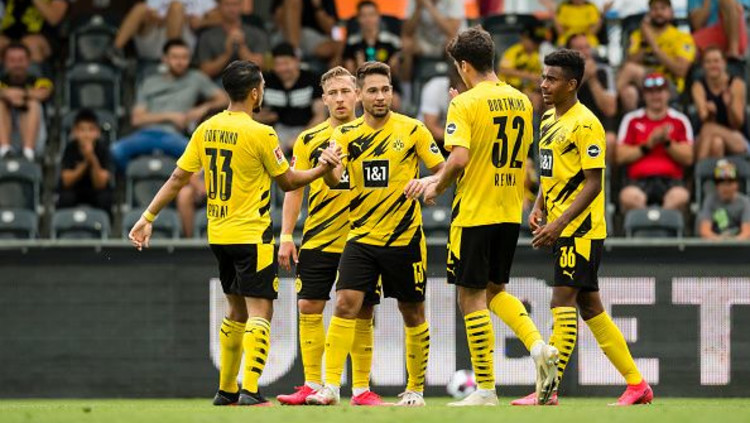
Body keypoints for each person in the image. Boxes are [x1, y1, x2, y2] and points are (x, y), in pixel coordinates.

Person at [128, 60, 342, 407]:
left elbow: (178, 177)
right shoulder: (261, 133)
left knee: (235, 311)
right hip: (252, 236)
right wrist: (322, 168)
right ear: (255, 93)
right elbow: (288, 181)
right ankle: (250, 390)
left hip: (219, 234)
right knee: (260, 312)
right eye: (263, 87)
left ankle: (226, 389)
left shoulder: (206, 128)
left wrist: (147, 216)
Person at [421, 26, 559, 407]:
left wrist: (436, 185)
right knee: (496, 290)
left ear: (464, 65)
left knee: (470, 297)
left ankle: (485, 389)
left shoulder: (464, 104)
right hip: (509, 210)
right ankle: (538, 345)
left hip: (474, 212)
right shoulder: (521, 101)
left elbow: (459, 159)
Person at [304, 61, 445, 407]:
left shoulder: (412, 130)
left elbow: (443, 170)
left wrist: (428, 183)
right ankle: (331, 387)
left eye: (385, 89)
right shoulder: (345, 135)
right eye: (373, 90)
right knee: (344, 304)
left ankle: (415, 389)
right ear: (360, 95)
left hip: (404, 238)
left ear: (392, 92)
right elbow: (334, 181)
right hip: (361, 238)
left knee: (413, 312)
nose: (380, 96)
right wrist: (327, 167)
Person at [517, 49, 653, 406]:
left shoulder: (586, 123)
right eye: (543, 77)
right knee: (591, 308)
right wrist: (540, 204)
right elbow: (551, 170)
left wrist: (560, 223)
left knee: (561, 300)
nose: (543, 84)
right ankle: (637, 384)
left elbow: (594, 183)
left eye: (552, 79)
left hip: (580, 231)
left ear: (572, 84)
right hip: (562, 226)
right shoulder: (548, 119)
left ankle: (548, 389)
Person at [275, 66, 385, 406]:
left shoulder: (376, 134)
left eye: (345, 91)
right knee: (309, 304)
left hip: (362, 238)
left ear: (357, 95)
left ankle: (362, 389)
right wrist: (286, 235)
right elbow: (294, 188)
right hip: (320, 236)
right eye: (332, 93)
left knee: (363, 310)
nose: (339, 99)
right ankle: (311, 383)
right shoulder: (309, 139)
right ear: (323, 99)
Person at [111, 39, 227, 172]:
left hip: (174, 135)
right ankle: (136, 177)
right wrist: (171, 116)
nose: (180, 62)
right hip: (146, 134)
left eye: (184, 57)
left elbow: (224, 99)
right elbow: (136, 119)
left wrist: (202, 108)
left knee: (203, 159)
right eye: (175, 57)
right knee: (116, 150)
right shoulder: (150, 82)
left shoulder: (196, 78)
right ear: (165, 59)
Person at [617, 73, 694, 213]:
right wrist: (648, 144)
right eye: (650, 92)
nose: (655, 96)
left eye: (660, 91)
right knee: (628, 196)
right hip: (639, 181)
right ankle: (647, 220)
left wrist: (667, 143)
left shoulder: (680, 120)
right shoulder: (631, 119)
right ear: (644, 95)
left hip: (671, 181)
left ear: (668, 94)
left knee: (680, 196)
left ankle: (660, 219)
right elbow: (620, 156)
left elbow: (688, 157)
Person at [616, 0, 696, 112]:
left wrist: (654, 46)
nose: (658, 12)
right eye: (654, 9)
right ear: (648, 13)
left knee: (630, 69)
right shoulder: (638, 35)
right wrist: (645, 42)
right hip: (643, 83)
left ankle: (610, 101)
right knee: (628, 92)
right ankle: (633, 121)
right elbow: (629, 61)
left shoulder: (682, 37)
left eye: (663, 8)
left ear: (671, 12)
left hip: (670, 85)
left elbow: (681, 70)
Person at [256, 42, 325, 153]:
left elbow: (320, 116)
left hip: (308, 129)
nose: (282, 68)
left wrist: (300, 138)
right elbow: (252, 113)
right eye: (277, 64)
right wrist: (262, 117)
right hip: (277, 131)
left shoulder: (312, 80)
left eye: (286, 63)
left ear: (297, 61)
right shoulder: (265, 81)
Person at [106, 0, 218, 67]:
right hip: (156, 34)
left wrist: (201, 22)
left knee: (176, 7)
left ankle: (172, 56)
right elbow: (150, 12)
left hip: (182, 39)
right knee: (140, 8)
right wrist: (154, 18)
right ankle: (114, 50)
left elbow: (221, 17)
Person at [567, 33, 618, 163]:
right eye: (579, 49)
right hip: (568, 127)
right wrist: (583, 77)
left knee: (610, 139)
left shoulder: (603, 71)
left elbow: (610, 110)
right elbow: (557, 105)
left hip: (597, 126)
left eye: (587, 47)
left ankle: (603, 175)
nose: (585, 52)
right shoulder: (560, 73)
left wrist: (593, 79)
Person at [691, 46, 748, 160]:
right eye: (708, 62)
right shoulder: (698, 86)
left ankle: (699, 168)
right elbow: (703, 118)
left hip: (734, 137)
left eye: (716, 61)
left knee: (708, 129)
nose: (713, 65)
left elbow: (737, 124)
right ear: (703, 66)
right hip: (706, 138)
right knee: (717, 142)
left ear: (724, 63)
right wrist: (710, 113)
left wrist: (730, 106)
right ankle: (713, 171)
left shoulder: (737, 84)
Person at [0, 42, 52, 161]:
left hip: (35, 139)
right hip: (5, 136)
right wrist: (7, 95)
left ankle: (28, 153)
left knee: (32, 103)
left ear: (29, 61)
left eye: (21, 60)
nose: (17, 64)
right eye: (12, 60)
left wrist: (19, 95)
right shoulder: (1, 81)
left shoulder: (39, 80)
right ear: (4, 62)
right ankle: (5, 150)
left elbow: (44, 93)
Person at [195, 0, 268, 78]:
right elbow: (205, 71)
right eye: (227, 4)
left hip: (249, 80)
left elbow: (260, 67)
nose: (231, 9)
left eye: (235, 4)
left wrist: (242, 47)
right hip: (217, 81)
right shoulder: (207, 36)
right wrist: (227, 53)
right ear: (219, 6)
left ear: (241, 6)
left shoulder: (257, 33)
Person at [57, 109, 112, 213]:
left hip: (95, 190)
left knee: (105, 198)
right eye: (82, 130)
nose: (86, 134)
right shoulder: (70, 148)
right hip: (75, 189)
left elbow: (101, 183)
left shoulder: (103, 149)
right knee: (65, 197)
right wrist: (86, 162)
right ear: (75, 132)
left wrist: (92, 158)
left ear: (98, 133)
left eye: (91, 130)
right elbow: (66, 181)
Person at [400, 0, 464, 84]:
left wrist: (429, 6)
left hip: (446, 42)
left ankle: (457, 83)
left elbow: (451, 31)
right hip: (424, 42)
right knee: (407, 44)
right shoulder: (415, 1)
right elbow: (407, 31)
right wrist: (418, 8)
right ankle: (406, 87)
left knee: (452, 42)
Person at [342, 1, 401, 75]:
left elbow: (397, 71)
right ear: (358, 18)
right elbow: (349, 72)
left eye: (371, 15)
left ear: (378, 17)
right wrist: (359, 67)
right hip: (360, 80)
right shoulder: (352, 42)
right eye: (364, 15)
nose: (368, 19)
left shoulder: (392, 41)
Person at [0, 0, 69, 63]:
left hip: (43, 36)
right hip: (10, 32)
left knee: (31, 44)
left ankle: (34, 72)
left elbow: (54, 19)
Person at [271, 0, 340, 63]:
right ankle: (294, 53)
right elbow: (277, 22)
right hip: (287, 36)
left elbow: (329, 28)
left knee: (339, 47)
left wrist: (317, 6)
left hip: (316, 38)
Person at [698, 159, 750, 240]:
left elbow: (747, 232)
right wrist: (720, 241)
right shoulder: (710, 201)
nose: (725, 187)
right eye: (721, 182)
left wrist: (733, 242)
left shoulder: (744, 202)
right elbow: (704, 231)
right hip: (716, 244)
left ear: (736, 185)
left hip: (738, 244)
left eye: (729, 183)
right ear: (716, 186)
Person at [498, 24, 544, 113]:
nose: (535, 45)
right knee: (534, 99)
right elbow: (504, 70)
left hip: (526, 88)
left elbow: (538, 74)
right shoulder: (514, 51)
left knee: (544, 99)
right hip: (510, 88)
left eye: (537, 42)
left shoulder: (536, 55)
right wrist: (529, 76)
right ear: (524, 39)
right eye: (533, 42)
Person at [418, 64, 465, 149]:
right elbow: (431, 127)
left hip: (458, 141)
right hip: (431, 141)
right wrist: (459, 140)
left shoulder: (474, 91)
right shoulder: (434, 87)